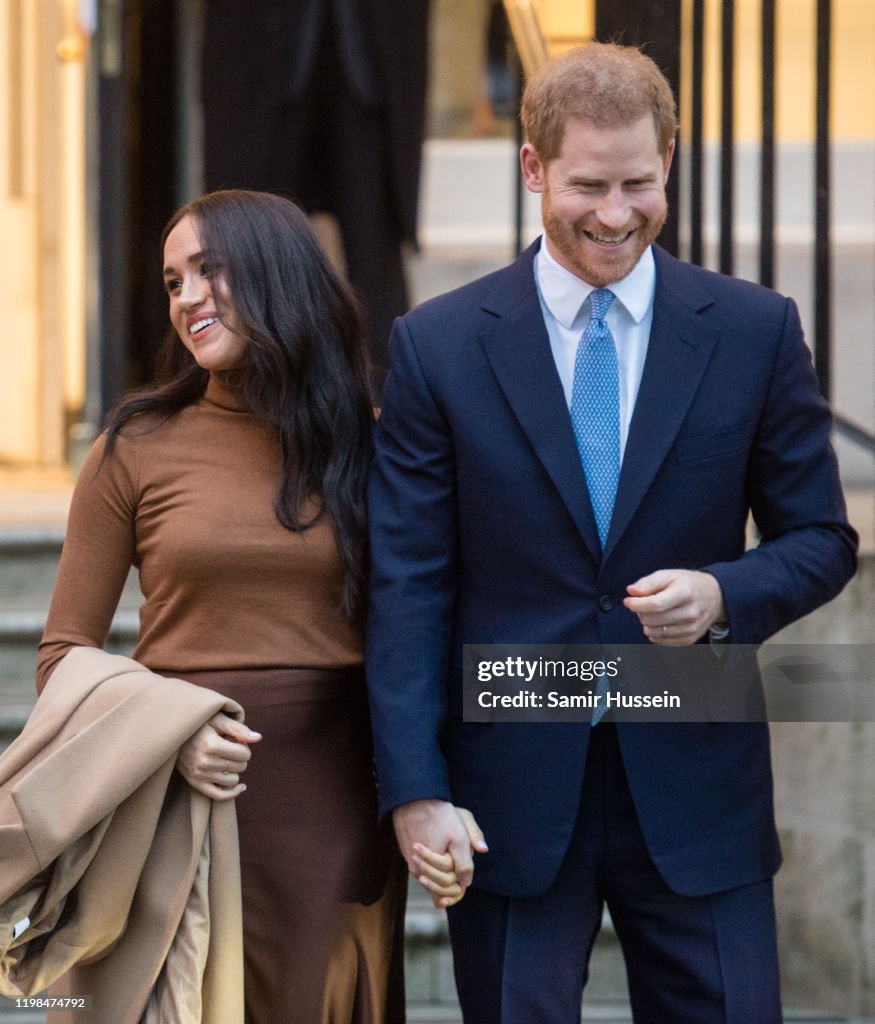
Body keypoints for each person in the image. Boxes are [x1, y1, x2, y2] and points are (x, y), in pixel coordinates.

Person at [365, 43, 859, 1024]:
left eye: (638, 183)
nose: (614, 213)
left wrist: (725, 594)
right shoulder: (437, 345)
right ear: (531, 168)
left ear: (668, 160)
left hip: (696, 781)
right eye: (587, 184)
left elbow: (821, 539)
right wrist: (414, 789)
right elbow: (406, 583)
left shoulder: (754, 331)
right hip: (506, 788)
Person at [38, 189, 417, 1022]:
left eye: (211, 270)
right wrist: (170, 734)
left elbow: (425, 623)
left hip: (335, 797)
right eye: (174, 281)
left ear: (279, 274)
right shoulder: (134, 445)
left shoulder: (376, 439)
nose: (187, 297)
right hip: (181, 800)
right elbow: (63, 651)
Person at [200, 0, 430, 396]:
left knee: (376, 259)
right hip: (260, 62)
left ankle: (391, 407)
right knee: (248, 247)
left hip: (370, 64)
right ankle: (246, 395)